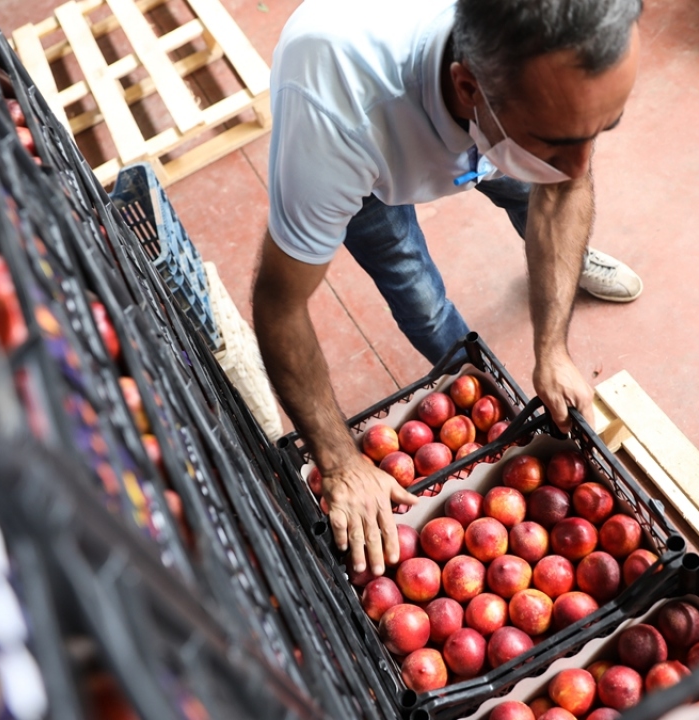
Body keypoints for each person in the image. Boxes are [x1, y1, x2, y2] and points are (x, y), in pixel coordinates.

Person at [251, 0, 645, 580]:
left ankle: (565, 264)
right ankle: (470, 377)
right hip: (376, 156)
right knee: (413, 281)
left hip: (499, 120)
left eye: (599, 131)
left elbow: (566, 182)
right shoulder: (335, 120)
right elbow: (280, 306)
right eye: (558, 140)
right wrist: (339, 462)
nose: (584, 163)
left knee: (537, 184)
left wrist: (552, 350)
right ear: (467, 88)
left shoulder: (546, 71)